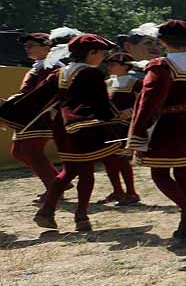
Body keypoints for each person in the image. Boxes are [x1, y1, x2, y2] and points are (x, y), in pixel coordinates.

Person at [1, 34, 124, 232]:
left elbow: (37, 99)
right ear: (91, 53)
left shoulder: (60, 73)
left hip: (62, 130)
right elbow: (101, 105)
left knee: (70, 170)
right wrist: (119, 121)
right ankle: (81, 217)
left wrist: (8, 111)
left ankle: (47, 212)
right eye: (101, 53)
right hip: (85, 128)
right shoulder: (92, 74)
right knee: (86, 172)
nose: (103, 57)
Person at [127, 20, 186, 239]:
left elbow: (149, 100)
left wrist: (138, 130)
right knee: (182, 170)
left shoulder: (160, 66)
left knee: (159, 172)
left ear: (162, 42)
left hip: (166, 124)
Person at [3, 32, 63, 202]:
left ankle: (54, 187)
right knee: (18, 152)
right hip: (27, 115)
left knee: (31, 151)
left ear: (46, 47)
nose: (27, 49)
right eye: (26, 46)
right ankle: (58, 181)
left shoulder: (54, 68)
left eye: (31, 46)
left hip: (41, 115)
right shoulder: (38, 66)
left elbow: (48, 94)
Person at [100, 51, 140, 206]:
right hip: (108, 127)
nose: (109, 67)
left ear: (125, 66)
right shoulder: (107, 83)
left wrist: (130, 113)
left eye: (113, 64)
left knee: (122, 160)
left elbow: (145, 103)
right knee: (108, 160)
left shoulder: (135, 83)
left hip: (124, 127)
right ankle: (117, 190)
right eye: (108, 64)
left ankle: (131, 192)